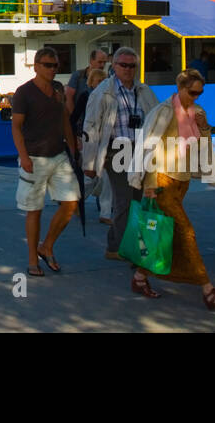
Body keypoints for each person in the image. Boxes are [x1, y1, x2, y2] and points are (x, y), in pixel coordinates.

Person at [135, 69, 215, 308]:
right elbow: (148, 145)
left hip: (182, 180)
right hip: (161, 180)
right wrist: (148, 183)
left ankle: (139, 277)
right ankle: (207, 289)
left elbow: (200, 145)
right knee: (186, 232)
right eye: (192, 92)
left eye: (200, 93)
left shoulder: (198, 112)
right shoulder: (163, 111)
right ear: (180, 88)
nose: (196, 97)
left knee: (162, 232)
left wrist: (205, 128)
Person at [82, 47, 160, 290]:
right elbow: (91, 126)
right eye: (123, 65)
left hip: (141, 150)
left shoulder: (144, 91)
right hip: (117, 150)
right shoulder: (103, 92)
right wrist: (89, 162)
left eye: (132, 65)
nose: (128, 69)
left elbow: (157, 119)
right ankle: (128, 250)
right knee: (125, 199)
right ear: (113, 66)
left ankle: (116, 245)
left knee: (140, 200)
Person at [12, 46, 80, 277]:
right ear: (37, 65)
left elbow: (64, 120)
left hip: (59, 154)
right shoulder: (24, 92)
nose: (53, 69)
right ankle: (33, 259)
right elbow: (16, 127)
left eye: (56, 66)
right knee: (35, 210)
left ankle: (47, 245)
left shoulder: (58, 88)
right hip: (34, 156)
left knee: (71, 202)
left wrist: (72, 147)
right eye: (48, 65)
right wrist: (23, 157)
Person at [81, 69, 111, 223]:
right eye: (97, 81)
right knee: (90, 178)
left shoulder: (109, 97)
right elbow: (81, 120)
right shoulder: (87, 96)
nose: (100, 84)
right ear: (91, 82)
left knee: (107, 180)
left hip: (106, 142)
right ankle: (75, 200)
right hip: (92, 140)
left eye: (102, 81)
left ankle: (105, 212)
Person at [66, 48, 109, 139]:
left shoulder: (107, 79)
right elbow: (69, 97)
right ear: (91, 61)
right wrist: (75, 122)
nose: (102, 65)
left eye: (104, 62)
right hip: (80, 123)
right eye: (100, 62)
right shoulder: (78, 76)